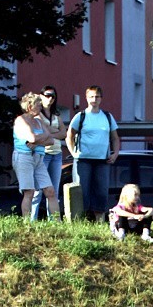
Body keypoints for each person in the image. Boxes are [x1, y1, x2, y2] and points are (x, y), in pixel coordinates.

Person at [65, 86, 119, 221]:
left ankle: (99, 221)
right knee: (81, 191)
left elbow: (115, 137)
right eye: (91, 96)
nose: (94, 99)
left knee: (101, 191)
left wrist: (115, 153)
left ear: (101, 98)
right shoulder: (81, 116)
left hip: (103, 160)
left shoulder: (107, 117)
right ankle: (80, 220)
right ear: (86, 98)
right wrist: (73, 153)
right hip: (83, 160)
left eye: (97, 96)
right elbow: (69, 136)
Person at [12, 93, 60, 219]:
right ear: (29, 106)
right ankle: (27, 225)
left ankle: (57, 223)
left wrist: (37, 141)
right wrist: (41, 137)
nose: (41, 107)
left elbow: (51, 140)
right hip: (24, 157)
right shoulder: (21, 120)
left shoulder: (39, 121)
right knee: (29, 192)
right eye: (38, 105)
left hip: (39, 158)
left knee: (50, 190)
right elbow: (31, 137)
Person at [30, 86, 67, 220]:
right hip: (42, 154)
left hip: (56, 155)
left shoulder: (56, 115)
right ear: (40, 96)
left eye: (53, 96)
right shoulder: (37, 114)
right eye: (47, 95)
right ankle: (31, 221)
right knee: (37, 190)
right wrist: (52, 132)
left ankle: (53, 221)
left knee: (53, 191)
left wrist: (50, 133)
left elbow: (64, 133)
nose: (50, 98)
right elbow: (43, 130)